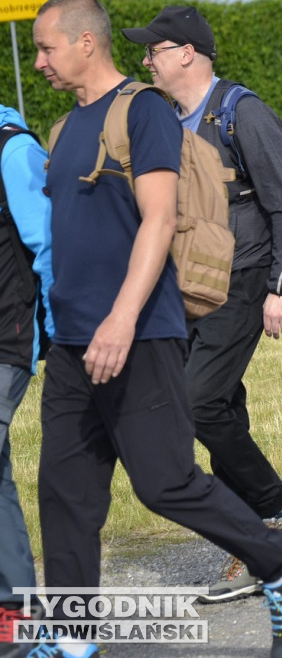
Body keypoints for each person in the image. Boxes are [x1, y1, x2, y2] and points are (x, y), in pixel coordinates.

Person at [31, 0, 282, 658]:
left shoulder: (143, 113)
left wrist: (121, 319)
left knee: (165, 482)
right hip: (73, 340)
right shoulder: (64, 127)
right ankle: (72, 638)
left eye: (47, 47)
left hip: (137, 332)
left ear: (84, 42)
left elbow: (160, 221)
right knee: (65, 493)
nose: (40, 61)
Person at [121, 6, 282, 601]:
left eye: (154, 49)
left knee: (197, 402)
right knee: (220, 403)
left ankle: (277, 510)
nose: (145, 59)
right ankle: (251, 540)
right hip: (185, 288)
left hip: (244, 278)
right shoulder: (160, 118)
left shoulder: (241, 113)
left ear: (186, 53)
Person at [0, 107, 53, 642]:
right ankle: (14, 607)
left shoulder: (13, 150)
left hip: (6, 340)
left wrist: (62, 334)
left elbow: (49, 245)